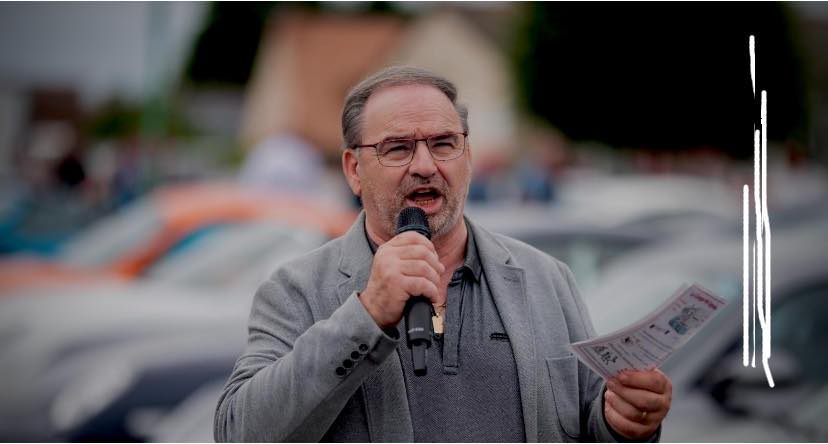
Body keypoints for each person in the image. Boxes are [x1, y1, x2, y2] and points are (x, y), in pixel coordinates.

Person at [214, 66, 672, 442]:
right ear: (354, 170)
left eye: (443, 143)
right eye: (397, 148)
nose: (425, 165)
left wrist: (623, 425)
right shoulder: (296, 290)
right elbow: (240, 434)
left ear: (467, 155)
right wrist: (366, 315)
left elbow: (590, 423)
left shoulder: (545, 278)